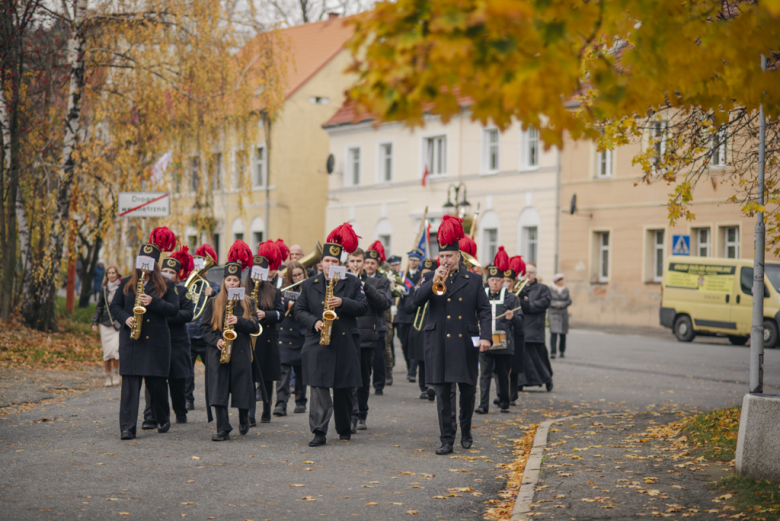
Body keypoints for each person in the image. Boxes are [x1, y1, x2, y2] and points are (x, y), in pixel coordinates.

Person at [413, 215, 492, 455]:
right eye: (442, 256)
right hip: (438, 341)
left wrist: (487, 336)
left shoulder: (474, 279)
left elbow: (485, 310)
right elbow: (414, 302)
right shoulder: (429, 277)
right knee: (442, 393)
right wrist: (433, 280)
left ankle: (466, 431)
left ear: (459, 256)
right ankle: (447, 438)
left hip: (465, 342)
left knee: (467, 391)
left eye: (450, 256)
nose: (445, 260)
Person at [294, 223, 367, 447]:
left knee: (344, 388)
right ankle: (319, 431)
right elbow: (299, 310)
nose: (331, 265)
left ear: (340, 264)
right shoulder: (309, 284)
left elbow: (363, 307)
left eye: (335, 262)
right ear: (321, 263)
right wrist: (314, 321)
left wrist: (343, 302)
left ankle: (344, 427)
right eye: (327, 261)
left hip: (345, 341)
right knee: (318, 387)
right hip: (318, 341)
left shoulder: (353, 282)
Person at [110, 227, 179, 440]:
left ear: (155, 263)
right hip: (132, 340)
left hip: (156, 341)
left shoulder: (166, 284)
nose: (145, 264)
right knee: (130, 386)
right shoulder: (126, 283)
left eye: (149, 260)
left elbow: (174, 310)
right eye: (142, 259)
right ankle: (127, 428)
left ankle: (162, 416)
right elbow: (114, 307)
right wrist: (125, 318)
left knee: (156, 384)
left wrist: (154, 302)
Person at [200, 241, 260, 441]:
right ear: (224, 282)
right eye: (228, 280)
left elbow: (254, 325)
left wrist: (240, 321)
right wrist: (215, 340)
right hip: (218, 350)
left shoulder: (248, 301)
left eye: (235, 280)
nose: (231, 283)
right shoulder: (213, 302)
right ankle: (222, 428)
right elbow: (204, 327)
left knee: (242, 386)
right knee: (218, 389)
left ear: (239, 282)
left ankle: (244, 417)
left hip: (241, 349)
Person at [143, 248, 196, 427]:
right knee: (155, 379)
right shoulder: (153, 287)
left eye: (172, 272)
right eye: (165, 271)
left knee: (177, 379)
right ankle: (151, 415)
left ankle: (180, 411)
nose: (168, 274)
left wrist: (166, 314)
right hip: (157, 339)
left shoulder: (182, 291)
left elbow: (189, 313)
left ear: (177, 275)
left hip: (176, 340)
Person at [347, 247, 390, 433]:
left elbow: (383, 304)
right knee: (348, 379)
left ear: (364, 263)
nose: (355, 265)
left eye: (359, 261)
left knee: (363, 379)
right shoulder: (341, 281)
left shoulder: (376, 282)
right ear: (347, 263)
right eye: (352, 261)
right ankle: (351, 416)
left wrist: (364, 284)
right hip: (346, 335)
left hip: (366, 337)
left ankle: (361, 413)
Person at [476, 258, 523, 415]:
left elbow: (520, 321)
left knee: (503, 375)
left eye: (497, 280)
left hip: (504, 344)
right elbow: (475, 315)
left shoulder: (511, 298)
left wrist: (513, 317)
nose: (494, 283)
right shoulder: (481, 295)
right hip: (486, 341)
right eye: (492, 280)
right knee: (484, 375)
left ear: (503, 281)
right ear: (487, 281)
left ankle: (504, 402)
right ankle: (483, 405)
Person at [248, 241, 284, 424]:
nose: (257, 276)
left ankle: (267, 408)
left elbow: (281, 314)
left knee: (267, 377)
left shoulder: (274, 291)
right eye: (255, 271)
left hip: (267, 338)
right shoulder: (243, 288)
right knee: (249, 376)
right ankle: (250, 413)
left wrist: (266, 314)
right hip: (248, 338)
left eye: (261, 272)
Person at [184, 244, 220, 411]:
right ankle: (187, 399)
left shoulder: (214, 286)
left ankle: (213, 398)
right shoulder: (186, 285)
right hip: (189, 334)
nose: (200, 272)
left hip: (207, 336)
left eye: (203, 268)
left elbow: (222, 303)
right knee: (187, 372)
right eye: (197, 268)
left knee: (212, 371)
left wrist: (212, 294)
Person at [275, 261, 308, 415]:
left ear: (304, 274)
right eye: (293, 276)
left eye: (299, 275)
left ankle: (301, 401)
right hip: (285, 334)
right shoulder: (282, 290)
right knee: (283, 371)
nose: (296, 278)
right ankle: (281, 403)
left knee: (301, 371)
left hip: (301, 334)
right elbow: (279, 310)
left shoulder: (309, 290)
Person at [402, 258, 437, 400]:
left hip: (434, 328)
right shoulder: (415, 289)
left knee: (434, 359)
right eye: (424, 273)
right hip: (419, 329)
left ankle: (433, 385)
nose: (426, 276)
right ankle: (424, 388)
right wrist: (420, 298)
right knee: (422, 360)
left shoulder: (440, 288)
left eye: (429, 273)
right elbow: (408, 308)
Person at [518, 264, 554, 392]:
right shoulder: (519, 288)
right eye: (526, 272)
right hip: (521, 327)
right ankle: (520, 382)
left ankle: (547, 379)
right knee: (522, 357)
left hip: (535, 329)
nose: (528, 274)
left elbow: (544, 303)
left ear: (535, 274)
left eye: (531, 272)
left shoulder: (543, 288)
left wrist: (527, 305)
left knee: (539, 357)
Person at [365, 241, 393, 395]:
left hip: (378, 325)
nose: (369, 266)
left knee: (378, 358)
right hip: (362, 325)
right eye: (367, 262)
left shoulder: (383, 280)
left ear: (377, 265)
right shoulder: (358, 278)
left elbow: (387, 301)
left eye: (372, 263)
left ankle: (379, 385)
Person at [92, 264, 123, 387]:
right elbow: (99, 305)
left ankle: (116, 374)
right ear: (106, 275)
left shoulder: (122, 287)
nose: (111, 275)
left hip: (118, 323)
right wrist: (95, 322)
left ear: (117, 274)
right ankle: (108, 376)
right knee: (107, 352)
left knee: (115, 350)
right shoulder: (104, 288)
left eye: (113, 273)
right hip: (105, 323)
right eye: (109, 273)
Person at [395, 249, 423, 383]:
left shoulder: (422, 276)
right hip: (402, 315)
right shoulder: (401, 276)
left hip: (417, 316)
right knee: (405, 344)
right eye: (411, 259)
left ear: (419, 261)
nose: (413, 262)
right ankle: (409, 366)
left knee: (415, 343)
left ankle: (412, 370)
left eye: (415, 260)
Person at [504, 255, 526, 405]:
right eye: (503, 281)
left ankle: (513, 394)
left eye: (508, 281)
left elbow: (524, 311)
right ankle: (503, 393)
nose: (506, 284)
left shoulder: (521, 294)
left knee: (515, 365)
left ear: (513, 282)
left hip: (516, 332)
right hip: (504, 332)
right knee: (503, 366)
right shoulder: (500, 294)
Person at [549, 274, 571, 359]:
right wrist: (555, 304)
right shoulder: (550, 289)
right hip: (553, 313)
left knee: (563, 334)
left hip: (563, 314)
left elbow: (569, 301)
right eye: (561, 280)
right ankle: (553, 352)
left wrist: (561, 304)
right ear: (557, 281)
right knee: (553, 333)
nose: (563, 282)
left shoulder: (565, 290)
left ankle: (562, 351)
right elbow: (548, 300)